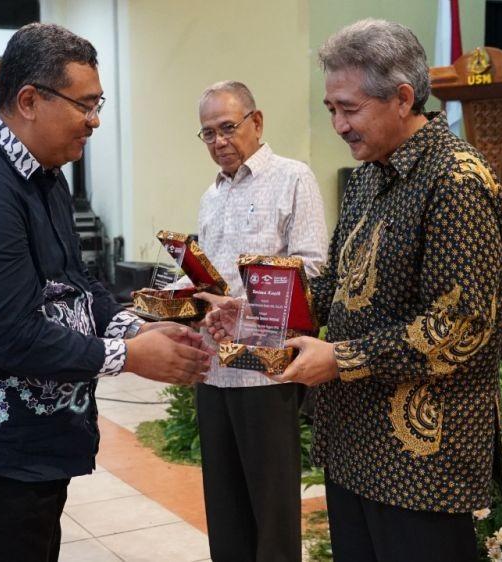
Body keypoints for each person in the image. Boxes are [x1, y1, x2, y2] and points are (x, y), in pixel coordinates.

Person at [0, 22, 210, 562]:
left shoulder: (43, 176)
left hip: (28, 444)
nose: (95, 121)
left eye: (99, 103)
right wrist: (130, 356)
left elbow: (77, 285)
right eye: (84, 105)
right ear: (29, 100)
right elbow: (10, 334)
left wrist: (133, 325)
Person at [208, 18, 502, 562]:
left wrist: (341, 358)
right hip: (355, 442)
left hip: (423, 460)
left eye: (349, 109)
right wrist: (252, 312)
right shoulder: (370, 174)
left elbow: (462, 327)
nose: (339, 125)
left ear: (402, 98)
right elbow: (337, 287)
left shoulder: (457, 180)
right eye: (331, 110)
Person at [190, 80, 327, 562]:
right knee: (224, 509)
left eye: (227, 128)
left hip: (264, 370)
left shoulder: (293, 177)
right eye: (207, 134)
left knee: (271, 515)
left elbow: (314, 270)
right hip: (213, 369)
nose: (219, 142)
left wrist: (242, 308)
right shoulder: (211, 195)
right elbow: (214, 274)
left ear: (257, 122)